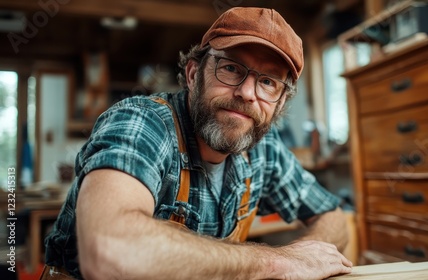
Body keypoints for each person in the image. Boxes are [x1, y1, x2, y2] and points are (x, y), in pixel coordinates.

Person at [42, 7, 352, 280]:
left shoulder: (264, 151)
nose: (247, 92)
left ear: (280, 103)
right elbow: (108, 251)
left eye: (268, 82)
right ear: (193, 74)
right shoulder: (143, 123)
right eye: (231, 68)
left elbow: (333, 216)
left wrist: (304, 255)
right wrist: (280, 262)